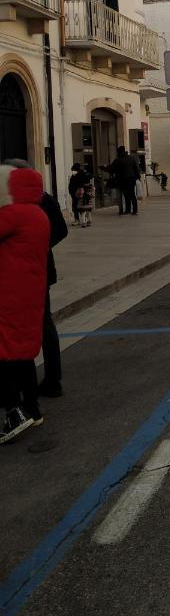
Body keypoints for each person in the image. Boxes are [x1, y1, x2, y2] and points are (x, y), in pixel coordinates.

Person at [3, 159, 68, 399]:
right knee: (40, 325)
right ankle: (46, 381)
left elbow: (60, 229)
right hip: (38, 271)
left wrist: (34, 246)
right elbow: (60, 229)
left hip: (28, 274)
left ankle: (46, 381)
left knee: (36, 326)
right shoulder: (42, 199)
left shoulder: (32, 201)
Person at [0, 165, 51, 443]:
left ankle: (14, 412)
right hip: (31, 291)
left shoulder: (14, 214)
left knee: (4, 353)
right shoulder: (39, 214)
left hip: (9, 293)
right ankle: (32, 408)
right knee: (22, 353)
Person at [106, 146, 141, 215]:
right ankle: (135, 210)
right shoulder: (132, 158)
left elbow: (111, 169)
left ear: (119, 152)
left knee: (125, 195)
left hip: (122, 180)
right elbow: (136, 169)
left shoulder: (118, 160)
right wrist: (137, 178)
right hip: (131, 179)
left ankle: (127, 210)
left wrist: (103, 168)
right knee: (132, 195)